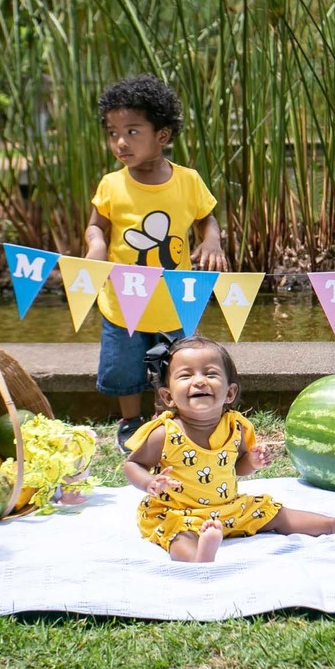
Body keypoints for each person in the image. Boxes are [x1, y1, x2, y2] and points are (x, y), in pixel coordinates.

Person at [123, 336, 335, 563]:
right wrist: (149, 483)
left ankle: (331, 525)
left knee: (272, 511)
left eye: (210, 373)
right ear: (168, 396)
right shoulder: (165, 433)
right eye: (186, 375)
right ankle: (198, 556)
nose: (199, 381)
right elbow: (133, 464)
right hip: (178, 511)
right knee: (177, 533)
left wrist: (253, 462)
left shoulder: (235, 427)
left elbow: (239, 468)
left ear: (229, 393)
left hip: (228, 508)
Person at [85, 74, 230, 448]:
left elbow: (206, 218)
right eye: (113, 132)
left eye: (132, 131)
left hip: (174, 298)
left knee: (177, 364)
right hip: (122, 298)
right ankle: (130, 422)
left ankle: (170, 418)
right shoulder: (111, 185)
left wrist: (211, 240)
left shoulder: (187, 181)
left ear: (161, 136)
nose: (120, 142)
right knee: (124, 365)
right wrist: (96, 246)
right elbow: (95, 226)